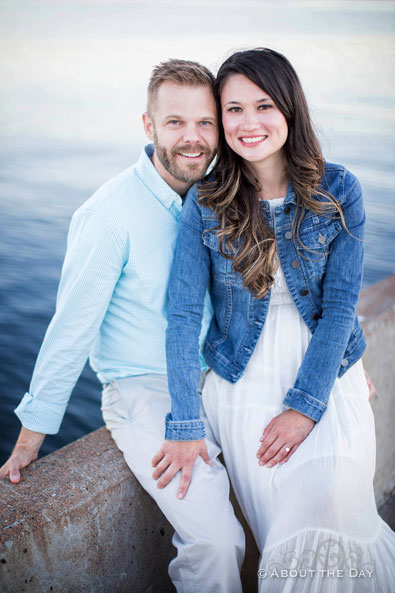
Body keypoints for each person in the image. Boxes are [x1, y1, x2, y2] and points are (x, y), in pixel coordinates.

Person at [0, 59, 245, 593]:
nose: (193, 138)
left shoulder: (218, 197)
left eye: (205, 123)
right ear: (148, 125)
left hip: (217, 379)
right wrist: (30, 435)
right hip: (145, 388)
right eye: (175, 122)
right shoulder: (109, 213)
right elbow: (71, 328)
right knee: (218, 542)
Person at [159, 48, 395, 592]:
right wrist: (186, 423)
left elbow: (339, 308)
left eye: (262, 105)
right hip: (243, 375)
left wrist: (305, 407)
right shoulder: (208, 201)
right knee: (288, 529)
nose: (248, 123)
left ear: (290, 107)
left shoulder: (340, 190)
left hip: (324, 370)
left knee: (333, 503)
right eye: (233, 109)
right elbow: (183, 314)